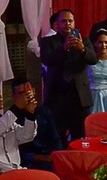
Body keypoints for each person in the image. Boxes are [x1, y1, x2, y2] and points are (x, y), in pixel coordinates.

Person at [39, 9, 97, 141]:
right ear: (57, 24)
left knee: (80, 137)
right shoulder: (48, 41)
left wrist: (82, 49)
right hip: (57, 97)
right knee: (57, 137)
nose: (67, 24)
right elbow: (47, 60)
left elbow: (93, 59)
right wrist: (64, 49)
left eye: (70, 21)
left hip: (80, 98)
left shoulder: (84, 41)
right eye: (64, 21)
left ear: (74, 23)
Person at [11, 81, 63, 171]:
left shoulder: (44, 111)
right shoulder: (12, 118)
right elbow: (16, 152)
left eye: (28, 92)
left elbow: (55, 138)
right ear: (14, 96)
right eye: (21, 93)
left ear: (33, 91)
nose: (26, 96)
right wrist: (39, 157)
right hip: (28, 162)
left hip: (50, 156)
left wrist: (58, 155)